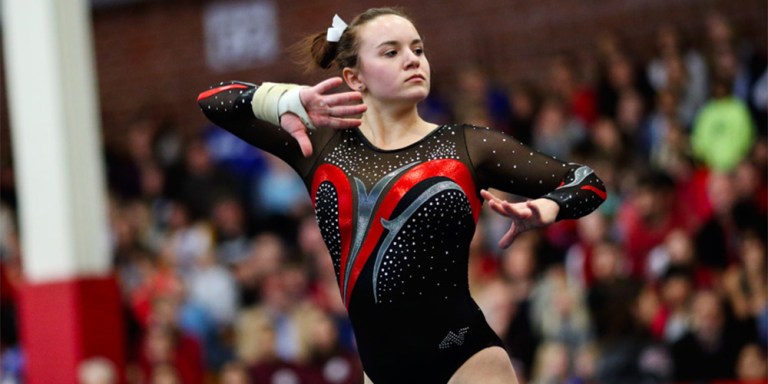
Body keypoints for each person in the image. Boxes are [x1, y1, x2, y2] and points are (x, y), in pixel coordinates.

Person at [197, 7, 606, 383]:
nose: (413, 59)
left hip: (465, 361)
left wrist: (548, 206)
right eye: (391, 52)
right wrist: (287, 100)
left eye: (418, 49)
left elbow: (587, 181)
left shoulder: (467, 146)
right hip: (381, 374)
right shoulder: (320, 146)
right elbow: (213, 101)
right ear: (354, 78)